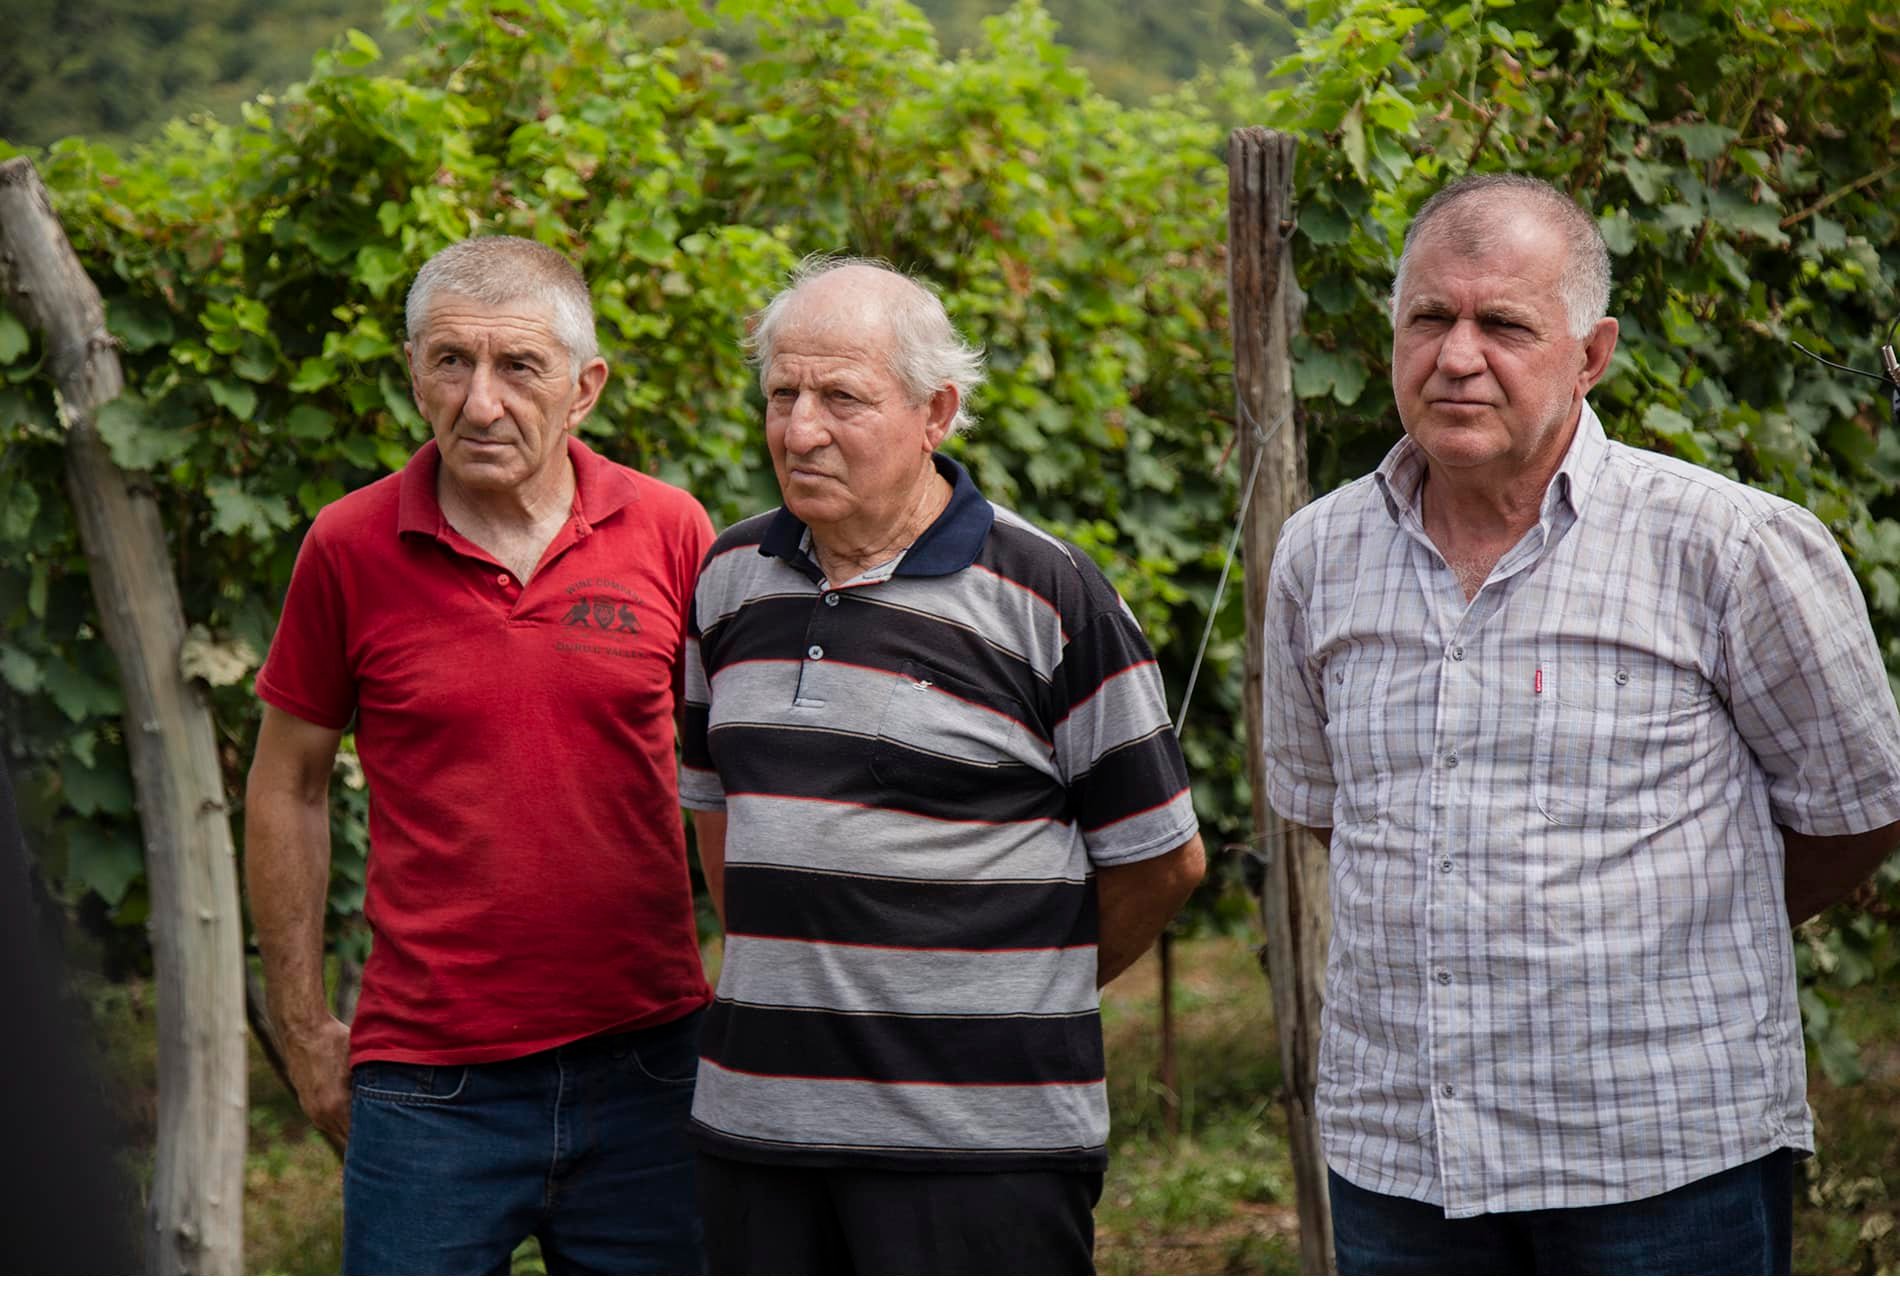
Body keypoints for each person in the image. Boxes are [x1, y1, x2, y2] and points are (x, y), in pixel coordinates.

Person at [1261, 173, 1900, 1275]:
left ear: (1590, 355)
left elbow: (1857, 813)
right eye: (1429, 319)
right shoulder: (1318, 553)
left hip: (1657, 1155)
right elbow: (1333, 813)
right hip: (1402, 1154)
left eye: (1505, 326)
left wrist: (1665, 941)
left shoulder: (1728, 547)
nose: (1458, 357)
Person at [679, 256, 1206, 1274]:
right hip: (758, 1133)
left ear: (936, 413)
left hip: (980, 1150)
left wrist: (1018, 992)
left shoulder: (1048, 596)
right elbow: (720, 816)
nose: (799, 430)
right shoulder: (730, 579)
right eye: (782, 395)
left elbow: (1160, 860)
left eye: (842, 398)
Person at [245, 236, 714, 1275]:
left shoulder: (671, 530)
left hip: (650, 1067)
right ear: (414, 373)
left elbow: (730, 774)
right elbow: (288, 783)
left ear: (585, 387)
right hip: (428, 1084)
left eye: (519, 367)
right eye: (450, 362)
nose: (481, 402)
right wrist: (304, 1024)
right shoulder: (348, 546)